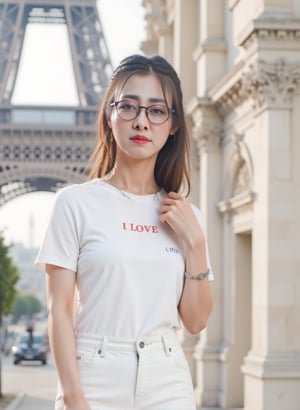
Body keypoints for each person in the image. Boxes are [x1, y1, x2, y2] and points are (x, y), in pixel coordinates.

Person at [36, 54, 214, 410]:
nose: (142, 122)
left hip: (167, 378)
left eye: (156, 110)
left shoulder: (186, 215)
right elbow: (60, 311)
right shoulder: (74, 203)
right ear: (109, 114)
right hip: (94, 375)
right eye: (129, 107)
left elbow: (194, 321)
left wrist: (194, 244)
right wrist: (73, 397)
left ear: (173, 124)